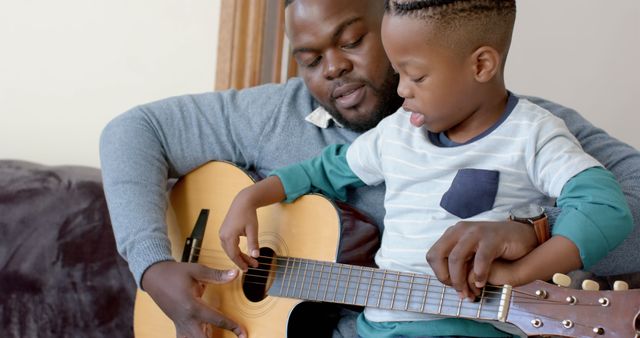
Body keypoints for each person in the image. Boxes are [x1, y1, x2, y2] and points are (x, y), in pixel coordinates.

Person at [99, 0, 640, 337]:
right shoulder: (274, 112)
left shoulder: (525, 128)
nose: (332, 66)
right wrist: (152, 267)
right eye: (308, 58)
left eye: (353, 40)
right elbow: (132, 132)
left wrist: (531, 230)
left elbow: (624, 201)